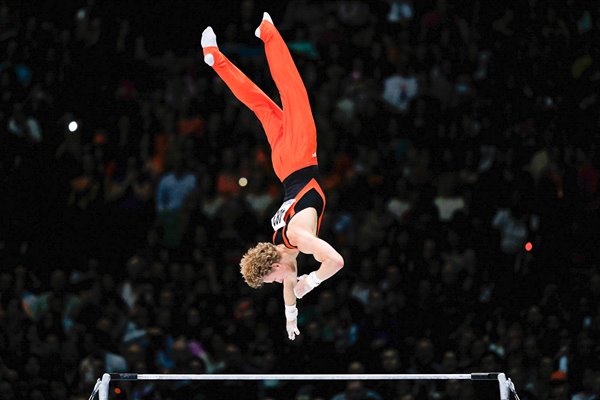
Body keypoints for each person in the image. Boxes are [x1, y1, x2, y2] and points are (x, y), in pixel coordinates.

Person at [201, 13, 344, 340]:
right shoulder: (281, 244)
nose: (281, 282)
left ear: (274, 266)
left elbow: (335, 261)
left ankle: (268, 33)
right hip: (284, 167)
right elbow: (289, 284)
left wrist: (315, 280)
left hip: (298, 155)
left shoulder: (299, 239)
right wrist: (290, 317)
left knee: (291, 88)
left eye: (273, 280)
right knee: (262, 106)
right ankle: (215, 59)